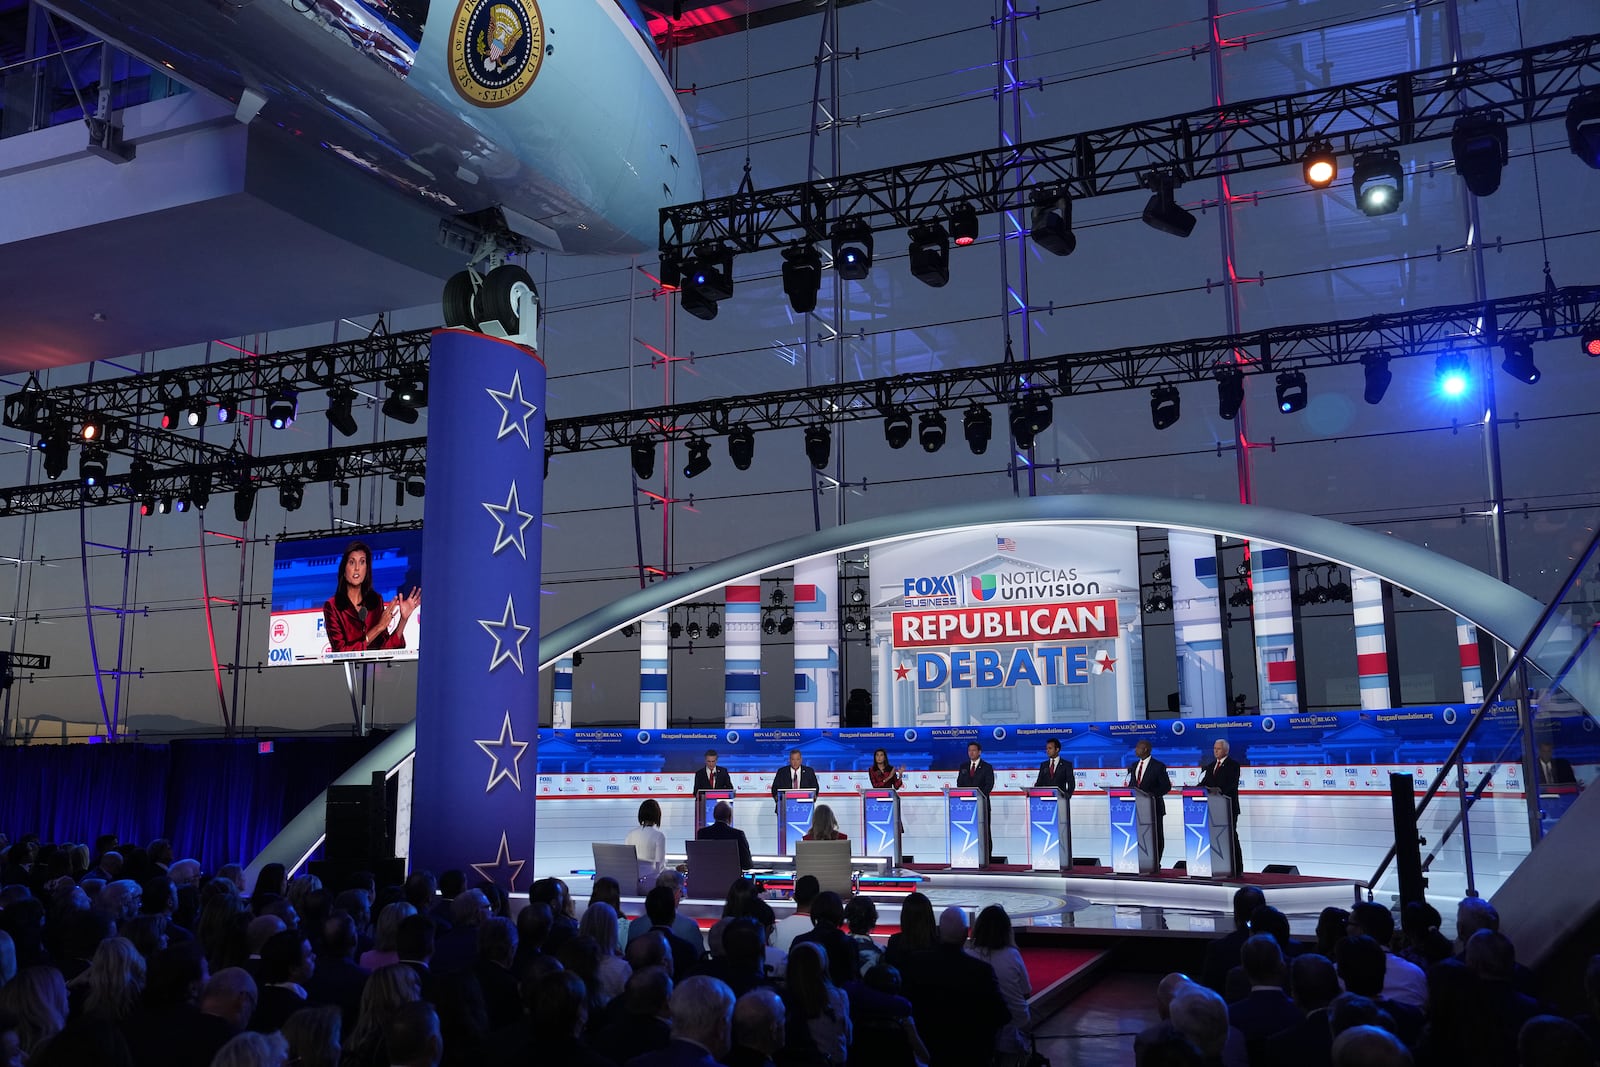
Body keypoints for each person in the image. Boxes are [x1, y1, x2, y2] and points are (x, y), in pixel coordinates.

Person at [321, 541, 420, 653]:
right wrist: (378, 628)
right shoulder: (332, 606)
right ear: (344, 570)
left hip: (374, 669)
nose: (357, 568)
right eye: (352, 562)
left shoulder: (376, 601)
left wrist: (403, 619)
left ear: (366, 569)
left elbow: (384, 648)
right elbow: (340, 651)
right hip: (346, 670)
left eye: (362, 562)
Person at [967, 905, 1032, 1061]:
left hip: (977, 1022)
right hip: (1014, 1020)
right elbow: (1026, 992)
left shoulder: (968, 954)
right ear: (1006, 930)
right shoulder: (1012, 955)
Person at [1199, 738, 1242, 874]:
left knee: (1230, 837)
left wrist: (1218, 791)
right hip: (1212, 809)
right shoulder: (1210, 766)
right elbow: (1204, 784)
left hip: (1228, 807)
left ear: (1225, 750)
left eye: (1218, 748)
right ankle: (1219, 866)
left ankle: (1236, 868)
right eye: (1214, 748)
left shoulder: (1233, 765)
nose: (1215, 751)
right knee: (1215, 838)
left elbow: (1231, 785)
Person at [1127, 739, 1172, 868]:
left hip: (1154, 807)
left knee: (1156, 835)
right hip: (1138, 808)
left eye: (1138, 747)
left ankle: (1156, 862)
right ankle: (1142, 860)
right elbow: (1133, 785)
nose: (1135, 750)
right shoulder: (1134, 765)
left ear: (1145, 749)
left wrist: (1151, 795)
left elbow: (1166, 786)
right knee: (1140, 835)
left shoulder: (1158, 766)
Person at [956, 742, 996, 864]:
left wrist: (977, 797)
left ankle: (986, 858)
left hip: (982, 805)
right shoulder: (963, 766)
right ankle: (969, 855)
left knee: (984, 831)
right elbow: (959, 784)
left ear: (979, 752)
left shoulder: (987, 767)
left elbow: (989, 785)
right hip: (966, 806)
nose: (971, 753)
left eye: (973, 750)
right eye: (969, 750)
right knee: (968, 831)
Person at [697, 801, 753, 870]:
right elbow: (747, 865)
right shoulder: (738, 835)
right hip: (733, 880)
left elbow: (698, 861)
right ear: (730, 817)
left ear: (714, 815)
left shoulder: (702, 833)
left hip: (707, 879)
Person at [626, 799, 668, 890]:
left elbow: (627, 862)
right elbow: (660, 868)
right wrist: (675, 870)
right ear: (657, 815)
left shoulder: (630, 834)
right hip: (651, 883)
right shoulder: (659, 836)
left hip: (632, 882)